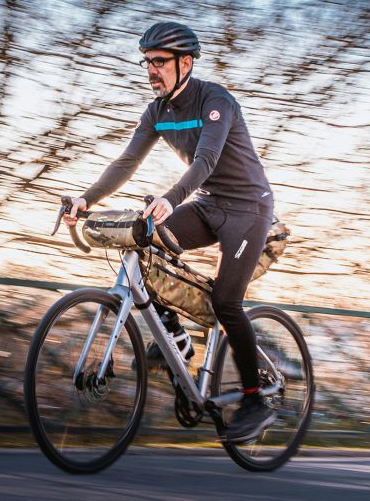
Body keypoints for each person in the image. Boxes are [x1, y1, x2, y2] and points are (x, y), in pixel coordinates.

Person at [63, 22, 276, 443]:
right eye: (147, 62)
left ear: (186, 63)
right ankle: (174, 335)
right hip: (210, 205)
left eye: (159, 62)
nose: (151, 70)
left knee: (226, 301)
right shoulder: (156, 112)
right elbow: (127, 162)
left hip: (248, 210)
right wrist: (86, 199)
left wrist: (173, 197)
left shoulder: (215, 100)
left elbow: (206, 159)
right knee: (144, 240)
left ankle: (255, 401)